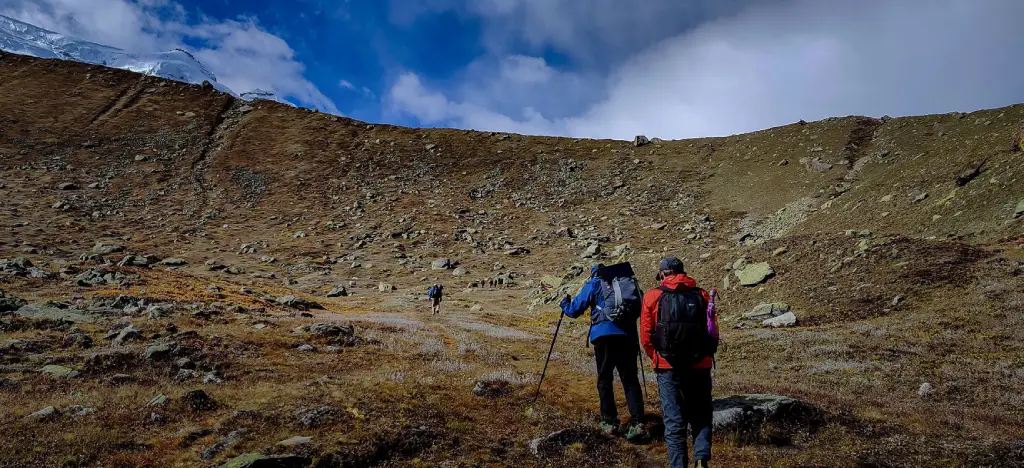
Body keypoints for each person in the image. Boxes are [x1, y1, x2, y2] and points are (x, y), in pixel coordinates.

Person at [640, 257, 718, 468]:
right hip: (700, 365)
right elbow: (712, 330)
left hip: (668, 367)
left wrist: (657, 357)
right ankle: (701, 460)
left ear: (663, 274)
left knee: (674, 420)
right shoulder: (702, 295)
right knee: (701, 414)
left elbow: (646, 337)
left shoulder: (653, 296)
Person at [560, 264, 645, 440]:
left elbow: (575, 310)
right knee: (630, 380)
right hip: (628, 335)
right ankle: (637, 423)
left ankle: (610, 421)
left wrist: (564, 304)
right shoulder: (627, 283)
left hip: (604, 336)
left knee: (605, 379)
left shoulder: (595, 283)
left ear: (594, 274)